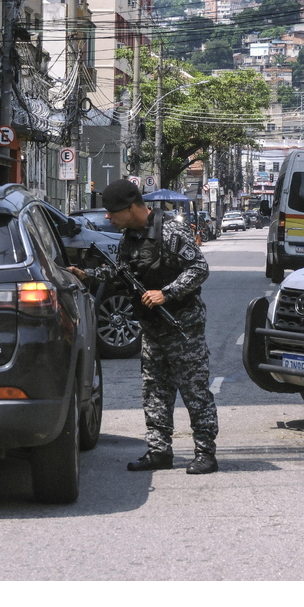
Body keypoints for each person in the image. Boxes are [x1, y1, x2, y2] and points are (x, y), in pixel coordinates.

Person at [68, 179, 219, 474]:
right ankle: (159, 451)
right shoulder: (130, 237)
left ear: (130, 208)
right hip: (151, 327)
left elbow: (199, 268)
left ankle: (205, 453)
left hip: (182, 325)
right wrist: (87, 275)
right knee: (155, 392)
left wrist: (167, 293)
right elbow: (121, 273)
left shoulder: (171, 231)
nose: (108, 217)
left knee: (194, 391)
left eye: (112, 211)